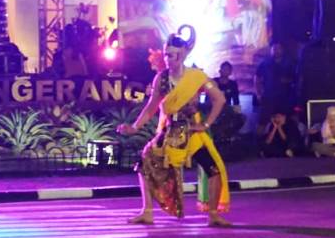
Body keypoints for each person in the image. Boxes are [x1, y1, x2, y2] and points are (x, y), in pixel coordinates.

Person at [117, 27, 232, 227]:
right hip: (169, 131)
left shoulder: (196, 76)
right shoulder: (161, 78)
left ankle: (213, 214)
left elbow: (219, 99)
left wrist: (205, 125)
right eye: (166, 55)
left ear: (182, 54)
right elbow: (151, 107)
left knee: (214, 169)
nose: (168, 59)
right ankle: (147, 212)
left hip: (192, 131)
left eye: (172, 55)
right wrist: (135, 127)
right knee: (144, 163)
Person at [255, 43, 296, 125]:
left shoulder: (289, 63)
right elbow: (257, 78)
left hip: (284, 98)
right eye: (274, 49)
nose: (276, 51)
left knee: (285, 122)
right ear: (271, 50)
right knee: (264, 122)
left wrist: (287, 80)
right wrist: (258, 94)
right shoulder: (264, 63)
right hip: (268, 98)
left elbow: (296, 79)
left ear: (282, 50)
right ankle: (261, 138)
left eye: (278, 48)